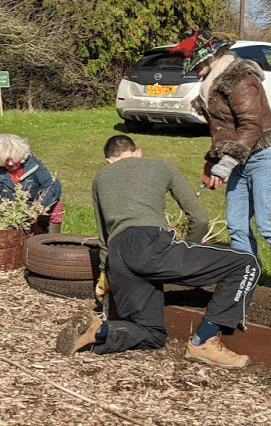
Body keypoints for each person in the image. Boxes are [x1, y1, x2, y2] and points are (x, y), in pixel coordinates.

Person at [56, 135, 259, 369]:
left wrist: (104, 275)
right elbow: (199, 219)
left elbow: (103, 236)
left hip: (118, 254)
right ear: (138, 152)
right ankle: (203, 341)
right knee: (246, 263)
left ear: (108, 160)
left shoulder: (100, 176)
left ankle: (101, 331)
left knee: (151, 333)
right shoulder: (161, 165)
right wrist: (189, 249)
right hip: (150, 245)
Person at [174, 26, 271, 258]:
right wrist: (212, 163)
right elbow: (223, 131)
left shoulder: (240, 79)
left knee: (267, 225)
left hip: (262, 156)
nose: (196, 72)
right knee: (236, 226)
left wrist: (227, 163)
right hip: (238, 159)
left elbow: (251, 125)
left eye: (197, 65)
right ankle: (245, 279)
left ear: (212, 56)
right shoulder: (211, 83)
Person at [0, 133, 63, 234]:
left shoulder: (34, 165)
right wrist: (7, 211)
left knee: (57, 205)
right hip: (9, 213)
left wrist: (40, 206)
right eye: (6, 160)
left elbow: (52, 185)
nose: (10, 164)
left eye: (13, 159)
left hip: (35, 209)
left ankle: (52, 241)